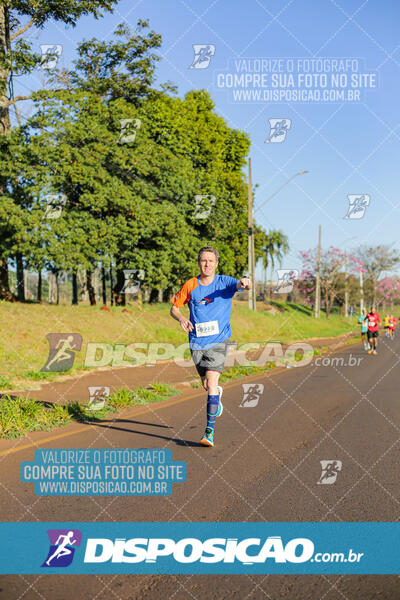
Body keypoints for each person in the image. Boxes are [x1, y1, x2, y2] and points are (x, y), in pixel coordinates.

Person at [170, 246, 250, 447]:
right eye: (204, 260)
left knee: (212, 383)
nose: (207, 264)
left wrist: (245, 282)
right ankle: (216, 395)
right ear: (199, 263)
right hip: (197, 341)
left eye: (211, 261)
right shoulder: (190, 285)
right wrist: (180, 318)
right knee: (206, 385)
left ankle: (209, 433)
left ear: (216, 263)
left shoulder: (225, 282)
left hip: (219, 340)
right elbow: (174, 308)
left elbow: (241, 285)